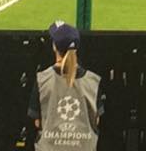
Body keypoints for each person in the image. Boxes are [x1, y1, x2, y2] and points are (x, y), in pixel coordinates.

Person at [28, 21, 105, 151]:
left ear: (54, 46)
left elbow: (37, 122)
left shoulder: (42, 80)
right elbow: (96, 122)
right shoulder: (93, 81)